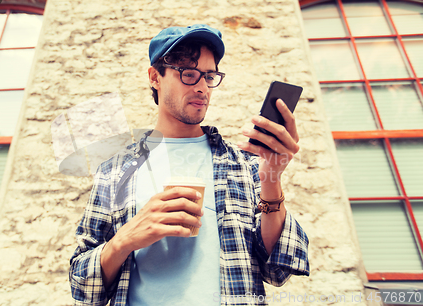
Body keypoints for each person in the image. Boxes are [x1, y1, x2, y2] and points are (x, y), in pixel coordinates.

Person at [70, 24, 309, 306]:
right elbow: (81, 285)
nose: (201, 87)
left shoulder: (244, 165)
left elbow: (277, 268)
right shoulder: (115, 171)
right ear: (154, 78)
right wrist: (124, 240)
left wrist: (271, 178)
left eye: (209, 76)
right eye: (188, 73)